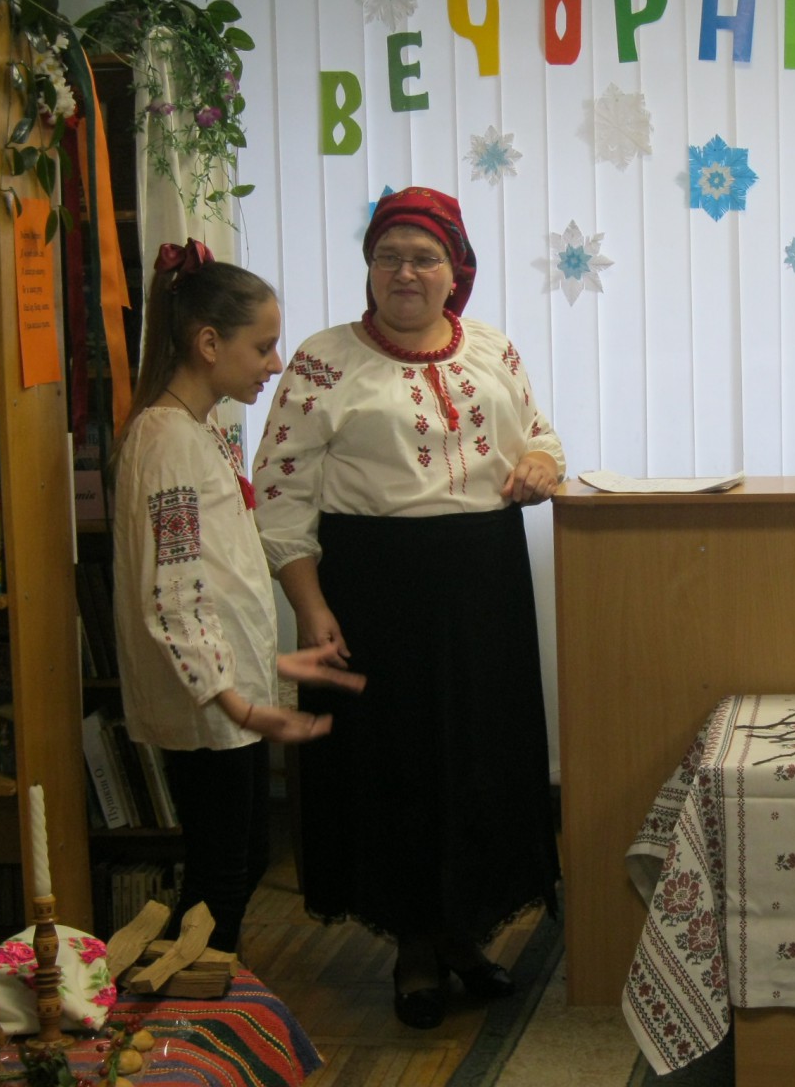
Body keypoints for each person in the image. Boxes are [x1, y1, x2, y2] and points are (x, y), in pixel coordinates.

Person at [251, 186, 564, 1030]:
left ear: (456, 270)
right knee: (394, 767)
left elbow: (538, 434)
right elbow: (280, 495)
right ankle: (415, 947)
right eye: (388, 256)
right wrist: (309, 605)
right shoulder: (322, 362)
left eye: (424, 257)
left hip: (484, 580)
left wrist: (541, 463)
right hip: (373, 586)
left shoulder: (492, 348)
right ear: (369, 268)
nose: (405, 272)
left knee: (479, 754)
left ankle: (464, 933)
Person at [113, 238, 365, 955]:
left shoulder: (198, 432)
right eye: (262, 347)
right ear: (207, 343)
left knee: (242, 860)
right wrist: (238, 702)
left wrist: (270, 671)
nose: (275, 364)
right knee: (223, 871)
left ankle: (206, 996)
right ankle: (193, 1006)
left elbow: (221, 578)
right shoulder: (166, 441)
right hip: (210, 710)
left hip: (229, 698)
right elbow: (173, 594)